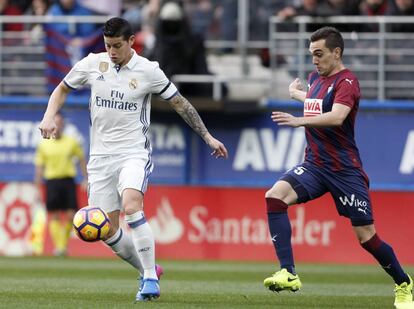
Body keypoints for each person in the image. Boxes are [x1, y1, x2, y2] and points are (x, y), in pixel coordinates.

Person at [38, 17, 228, 302]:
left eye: (117, 45)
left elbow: (180, 104)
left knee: (132, 204)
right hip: (100, 158)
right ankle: (148, 267)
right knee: (107, 229)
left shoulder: (149, 70)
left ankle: (150, 280)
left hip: (133, 153)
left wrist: (208, 137)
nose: (112, 51)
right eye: (107, 45)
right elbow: (62, 88)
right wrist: (48, 116)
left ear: (131, 42)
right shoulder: (93, 64)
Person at [263, 26, 413, 309]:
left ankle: (404, 283)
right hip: (315, 165)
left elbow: (336, 116)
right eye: (311, 55)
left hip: (345, 171)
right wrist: (298, 95)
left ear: (336, 52)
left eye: (319, 54)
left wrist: (298, 121)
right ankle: (289, 272)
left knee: (366, 238)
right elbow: (317, 104)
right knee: (274, 196)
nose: (314, 61)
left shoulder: (348, 82)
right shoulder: (314, 79)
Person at [34, 112, 88, 256]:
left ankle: (62, 246)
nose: (57, 126)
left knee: (71, 215)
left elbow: (81, 159)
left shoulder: (71, 141)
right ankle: (60, 247)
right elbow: (39, 168)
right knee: (55, 215)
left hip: (68, 180)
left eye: (59, 123)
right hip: (51, 181)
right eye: (55, 123)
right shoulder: (44, 144)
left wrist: (86, 178)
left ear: (63, 125)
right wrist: (37, 188)